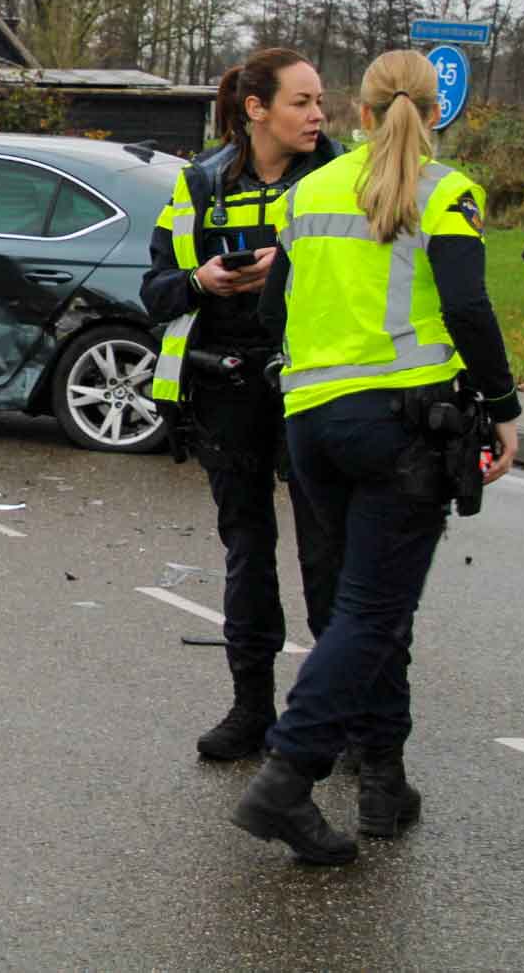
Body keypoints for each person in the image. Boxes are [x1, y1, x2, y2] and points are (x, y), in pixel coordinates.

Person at [231, 49, 521, 865]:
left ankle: (385, 783)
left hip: (312, 422)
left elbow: (272, 313)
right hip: (400, 426)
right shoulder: (446, 190)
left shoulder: (308, 190)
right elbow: (466, 304)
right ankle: (288, 777)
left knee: (366, 604)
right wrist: (503, 410)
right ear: (436, 114)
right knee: (373, 611)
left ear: (361, 112)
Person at [143, 48, 344, 761]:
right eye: (301, 101)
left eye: (320, 100)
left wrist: (285, 274)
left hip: (316, 388)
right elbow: (156, 291)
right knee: (248, 554)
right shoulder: (199, 182)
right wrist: (202, 281)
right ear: (256, 109)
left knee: (328, 559)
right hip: (227, 387)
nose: (318, 114)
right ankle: (251, 708)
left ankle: (334, 715)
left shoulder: (340, 178)